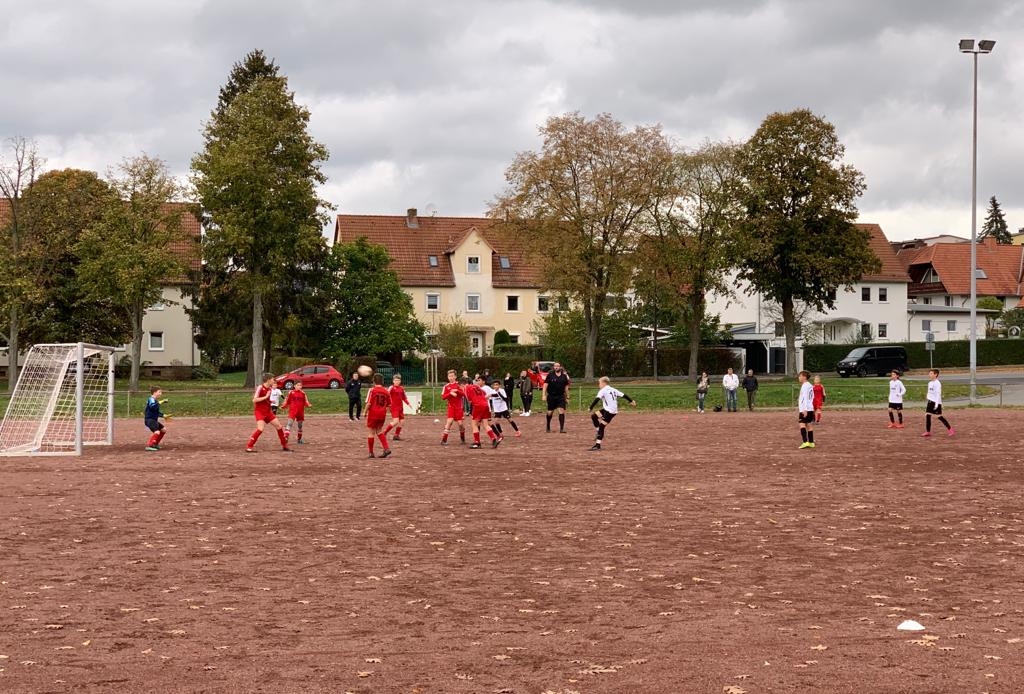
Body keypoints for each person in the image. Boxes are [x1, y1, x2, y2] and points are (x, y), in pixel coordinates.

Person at [246, 372, 292, 453]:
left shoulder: (270, 389)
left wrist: (271, 401)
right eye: (272, 379)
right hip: (260, 412)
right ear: (268, 380)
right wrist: (266, 397)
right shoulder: (260, 387)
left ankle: (285, 446)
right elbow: (254, 400)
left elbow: (266, 400)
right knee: (260, 429)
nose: (274, 381)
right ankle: (249, 446)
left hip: (268, 412)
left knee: (279, 427)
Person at [588, 376, 636, 451]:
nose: (598, 385)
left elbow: (597, 399)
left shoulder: (603, 390)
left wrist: (590, 407)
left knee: (602, 426)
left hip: (609, 412)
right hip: (607, 410)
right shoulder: (613, 389)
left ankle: (597, 445)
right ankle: (598, 432)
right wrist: (631, 401)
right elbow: (624, 395)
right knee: (594, 416)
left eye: (599, 383)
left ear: (604, 383)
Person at [465, 375, 500, 448]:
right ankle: (493, 439)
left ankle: (477, 442)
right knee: (485, 424)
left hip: (480, 406)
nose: (477, 382)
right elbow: (482, 394)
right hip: (484, 406)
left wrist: (488, 396)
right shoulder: (478, 387)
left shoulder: (485, 387)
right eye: (477, 380)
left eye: (479, 380)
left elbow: (496, 394)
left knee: (475, 424)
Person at [364, 373, 393, 458]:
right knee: (379, 431)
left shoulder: (372, 390)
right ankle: (386, 448)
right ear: (382, 381)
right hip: (382, 414)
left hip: (373, 414)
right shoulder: (386, 391)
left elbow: (369, 403)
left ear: (374, 381)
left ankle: (371, 453)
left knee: (371, 432)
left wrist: (365, 412)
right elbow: (389, 405)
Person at [923, 368, 954, 437]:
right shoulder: (929, 383)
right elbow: (929, 392)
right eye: (929, 373)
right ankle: (928, 431)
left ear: (936, 374)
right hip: (930, 401)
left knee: (939, 416)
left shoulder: (937, 383)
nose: (929, 375)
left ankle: (950, 429)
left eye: (931, 373)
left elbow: (938, 394)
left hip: (936, 402)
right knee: (928, 415)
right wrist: (928, 397)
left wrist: (937, 404)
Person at [542, 362, 571, 433]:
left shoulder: (564, 376)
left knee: (561, 411)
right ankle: (548, 426)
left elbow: (566, 387)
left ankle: (562, 429)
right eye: (555, 366)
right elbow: (545, 385)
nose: (556, 367)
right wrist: (543, 395)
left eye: (557, 366)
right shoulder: (550, 375)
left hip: (560, 396)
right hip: (551, 396)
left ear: (560, 367)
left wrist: (568, 397)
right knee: (550, 412)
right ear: (553, 367)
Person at [440, 369, 467, 445]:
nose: (451, 378)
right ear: (447, 377)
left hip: (459, 408)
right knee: (449, 422)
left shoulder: (459, 385)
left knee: (460, 424)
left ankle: (462, 438)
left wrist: (457, 391)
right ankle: (444, 440)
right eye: (449, 376)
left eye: (452, 376)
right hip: (451, 407)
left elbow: (464, 394)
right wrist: (450, 393)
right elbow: (443, 397)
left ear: (455, 377)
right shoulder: (446, 386)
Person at [383, 373, 410, 441]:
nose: (397, 382)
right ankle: (384, 433)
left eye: (398, 380)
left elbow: (404, 397)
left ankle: (396, 435)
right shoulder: (391, 388)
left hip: (400, 407)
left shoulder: (401, 388)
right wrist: (386, 405)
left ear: (400, 381)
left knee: (402, 422)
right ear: (393, 381)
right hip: (394, 407)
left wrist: (408, 403)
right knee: (395, 421)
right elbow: (386, 395)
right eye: (395, 380)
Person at [144, 385, 168, 451]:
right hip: (149, 420)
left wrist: (164, 415)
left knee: (163, 430)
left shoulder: (155, 401)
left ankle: (155, 444)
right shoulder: (151, 399)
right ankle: (150, 445)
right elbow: (152, 407)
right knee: (157, 432)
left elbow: (155, 411)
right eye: (159, 392)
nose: (161, 393)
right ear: (154, 392)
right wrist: (161, 402)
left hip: (153, 420)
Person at [797, 370, 815, 449]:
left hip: (805, 409)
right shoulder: (810, 385)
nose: (799, 377)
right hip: (810, 408)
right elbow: (812, 397)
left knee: (802, 424)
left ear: (804, 377)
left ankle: (805, 442)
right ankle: (811, 442)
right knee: (809, 425)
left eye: (800, 376)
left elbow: (805, 398)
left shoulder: (805, 386)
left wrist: (805, 409)